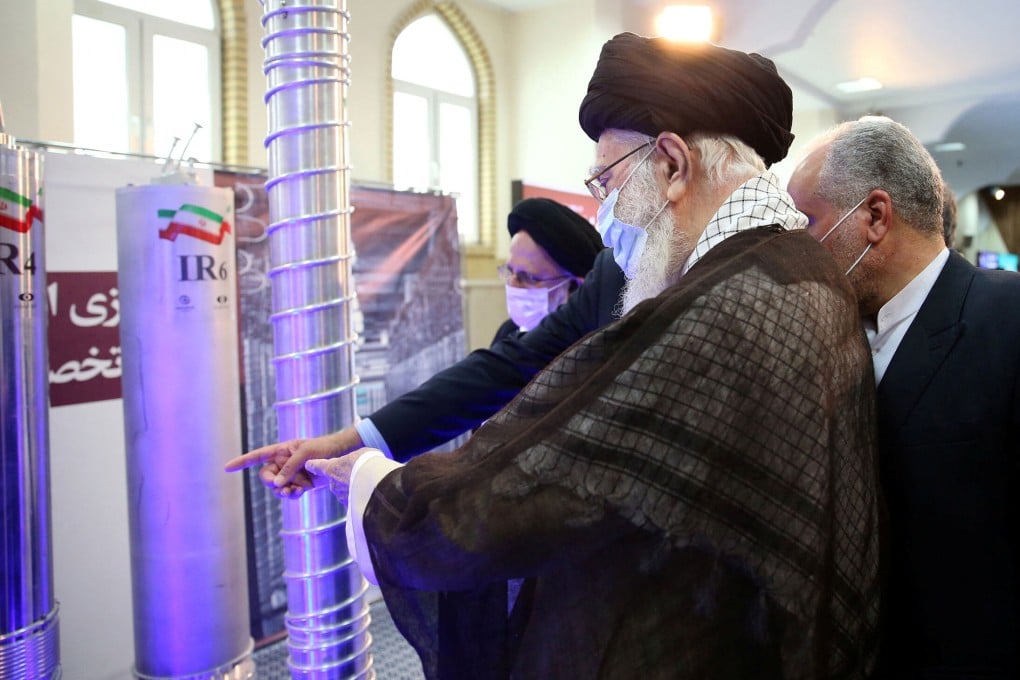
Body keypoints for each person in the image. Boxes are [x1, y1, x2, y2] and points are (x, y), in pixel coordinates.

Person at [248, 34, 882, 678]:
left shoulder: (722, 305)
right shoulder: (798, 267)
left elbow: (531, 490)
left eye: (606, 180)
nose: (604, 211)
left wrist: (366, 479)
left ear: (671, 163)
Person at [786, 115, 1020, 679]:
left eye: (808, 222)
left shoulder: (1007, 319)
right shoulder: (829, 333)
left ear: (873, 216)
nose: (798, 248)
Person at [492, 197, 603, 343]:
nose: (512, 284)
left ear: (574, 287)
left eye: (528, 277)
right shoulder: (508, 332)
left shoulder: (588, 350)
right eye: (510, 271)